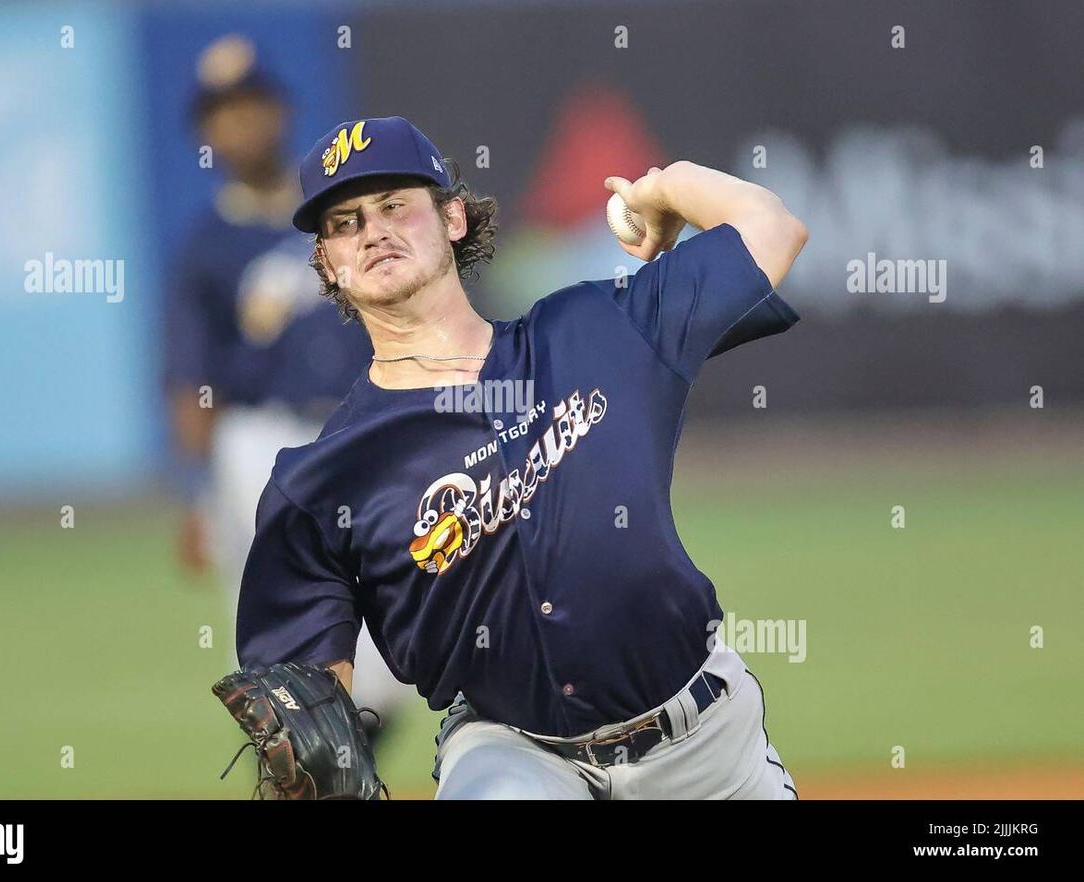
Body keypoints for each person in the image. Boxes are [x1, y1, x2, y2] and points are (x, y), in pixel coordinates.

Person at [236, 115, 809, 799]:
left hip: (708, 745)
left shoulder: (599, 329)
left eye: (395, 206)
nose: (373, 231)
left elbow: (773, 229)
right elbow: (306, 710)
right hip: (515, 756)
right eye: (345, 222)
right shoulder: (319, 481)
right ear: (328, 263)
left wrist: (668, 186)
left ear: (452, 218)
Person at [162, 39, 412, 742]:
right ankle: (303, 752)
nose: (239, 125)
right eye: (222, 114)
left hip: (359, 429)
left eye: (250, 106)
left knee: (391, 643)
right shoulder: (205, 246)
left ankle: (332, 754)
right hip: (258, 441)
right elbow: (192, 383)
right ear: (204, 134)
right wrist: (195, 491)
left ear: (280, 110)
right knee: (284, 631)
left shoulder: (339, 214)